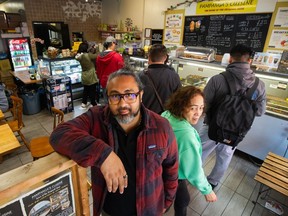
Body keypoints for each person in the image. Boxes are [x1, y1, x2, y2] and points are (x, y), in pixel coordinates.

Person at [50, 68, 179, 216]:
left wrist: (167, 202)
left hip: (149, 210)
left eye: (130, 95)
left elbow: (171, 169)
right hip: (108, 210)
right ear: (107, 98)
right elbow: (59, 134)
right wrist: (103, 154)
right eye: (115, 96)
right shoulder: (96, 118)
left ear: (141, 95)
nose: (123, 104)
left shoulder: (161, 126)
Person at [199, 44, 266, 189]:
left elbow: (204, 105)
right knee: (225, 156)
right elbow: (260, 112)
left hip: (212, 126)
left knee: (200, 151)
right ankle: (213, 181)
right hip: (236, 131)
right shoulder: (259, 85)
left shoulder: (217, 79)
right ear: (250, 61)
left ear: (230, 59)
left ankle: (194, 176)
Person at [161, 86, 217, 216]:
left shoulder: (166, 115)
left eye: (201, 107)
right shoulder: (187, 135)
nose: (198, 112)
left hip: (161, 169)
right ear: (181, 106)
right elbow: (194, 170)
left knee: (182, 199)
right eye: (193, 108)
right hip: (173, 175)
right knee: (173, 203)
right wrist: (207, 190)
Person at [139, 44, 182, 114]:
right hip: (165, 119)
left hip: (145, 117)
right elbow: (179, 100)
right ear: (165, 58)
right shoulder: (174, 76)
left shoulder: (140, 76)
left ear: (149, 57)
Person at [75, 41, 99, 109]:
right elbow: (97, 55)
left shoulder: (79, 56)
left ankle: (84, 103)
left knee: (86, 90)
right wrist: (96, 48)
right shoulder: (88, 55)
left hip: (84, 74)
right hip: (91, 75)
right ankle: (93, 103)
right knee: (92, 90)